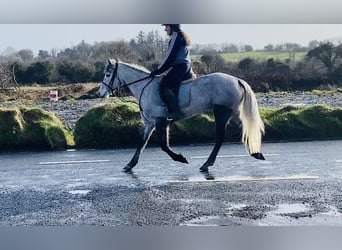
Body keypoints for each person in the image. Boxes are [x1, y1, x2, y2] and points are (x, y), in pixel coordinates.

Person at [150, 24, 192, 121]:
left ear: (172, 26)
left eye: (166, 26)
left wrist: (157, 71)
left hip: (180, 67)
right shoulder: (182, 36)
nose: (165, 29)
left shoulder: (176, 37)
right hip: (185, 66)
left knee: (164, 85)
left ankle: (175, 112)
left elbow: (169, 58)